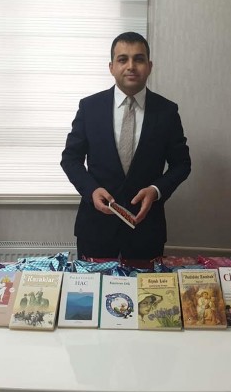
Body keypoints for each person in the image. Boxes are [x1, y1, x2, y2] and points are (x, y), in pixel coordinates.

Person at [61, 32, 191, 259]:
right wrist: (91, 190)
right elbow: (70, 159)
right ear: (111, 67)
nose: (131, 66)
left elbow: (182, 164)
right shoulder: (90, 108)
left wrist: (156, 190)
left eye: (138, 59)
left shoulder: (167, 112)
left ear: (149, 66)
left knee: (146, 285)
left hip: (146, 230)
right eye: (123, 59)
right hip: (96, 229)